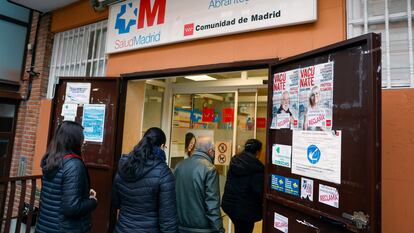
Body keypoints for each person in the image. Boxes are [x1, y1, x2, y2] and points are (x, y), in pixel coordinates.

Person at [112, 127, 178, 233]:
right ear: (162, 146)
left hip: (122, 229)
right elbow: (168, 219)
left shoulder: (124, 165)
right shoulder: (163, 172)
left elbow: (116, 202)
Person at [35, 121, 97, 233]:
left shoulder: (51, 160)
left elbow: (58, 193)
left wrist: (84, 192)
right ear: (73, 140)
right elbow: (72, 208)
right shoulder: (74, 165)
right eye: (82, 138)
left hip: (45, 226)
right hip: (65, 228)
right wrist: (92, 201)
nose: (84, 141)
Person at [174, 137, 224, 233]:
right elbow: (212, 205)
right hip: (202, 229)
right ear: (210, 151)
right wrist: (219, 230)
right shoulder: (210, 169)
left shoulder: (179, 166)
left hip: (180, 226)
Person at [222, 139, 264, 233]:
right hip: (245, 210)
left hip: (230, 205)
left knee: (240, 228)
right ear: (258, 152)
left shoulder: (235, 161)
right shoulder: (257, 168)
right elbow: (259, 191)